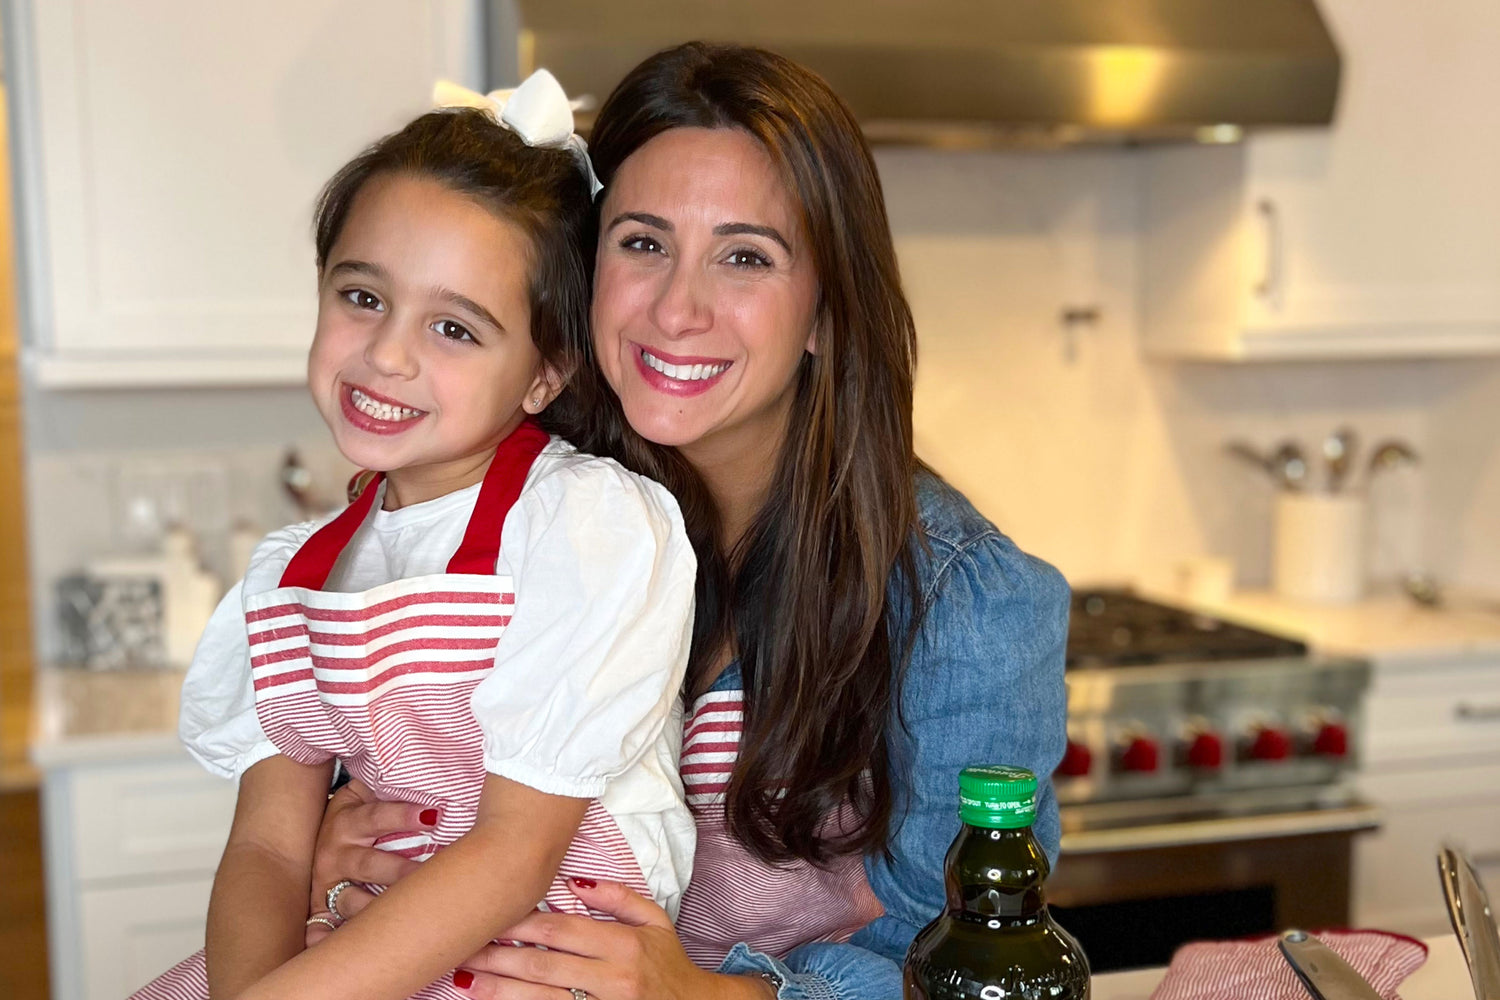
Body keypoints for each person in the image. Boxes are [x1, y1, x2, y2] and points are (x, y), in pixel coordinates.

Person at [312, 42, 1069, 1000]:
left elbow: (969, 964)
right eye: (642, 242)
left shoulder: (965, 599)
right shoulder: (493, 508)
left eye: (745, 257)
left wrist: (706, 995)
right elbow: (369, 760)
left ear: (825, 313)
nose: (678, 307)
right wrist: (333, 841)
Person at [129, 70, 697, 1000]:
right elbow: (269, 847)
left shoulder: (585, 525)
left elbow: (515, 852)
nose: (388, 354)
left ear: (544, 375)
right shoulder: (292, 574)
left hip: (532, 958)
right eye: (362, 298)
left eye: (453, 328)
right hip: (361, 953)